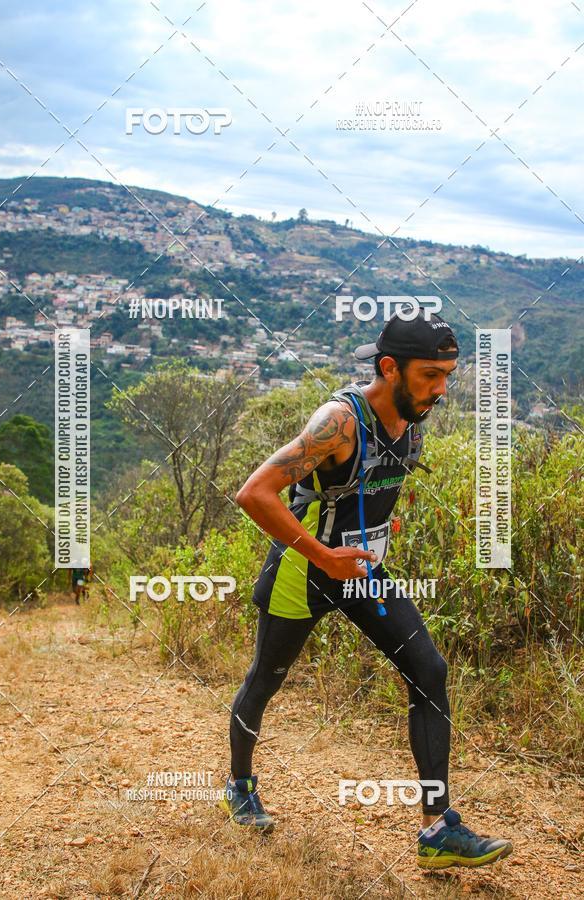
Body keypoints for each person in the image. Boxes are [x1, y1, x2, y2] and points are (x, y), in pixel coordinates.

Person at [221, 309, 513, 870]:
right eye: (431, 374)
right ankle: (240, 786)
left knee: (429, 672)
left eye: (448, 374)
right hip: (302, 573)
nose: (442, 388)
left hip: (360, 576)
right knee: (265, 680)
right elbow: (255, 493)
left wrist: (373, 529)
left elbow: (371, 486)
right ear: (389, 368)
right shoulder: (340, 421)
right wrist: (324, 555)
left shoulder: (413, 412)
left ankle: (437, 831)